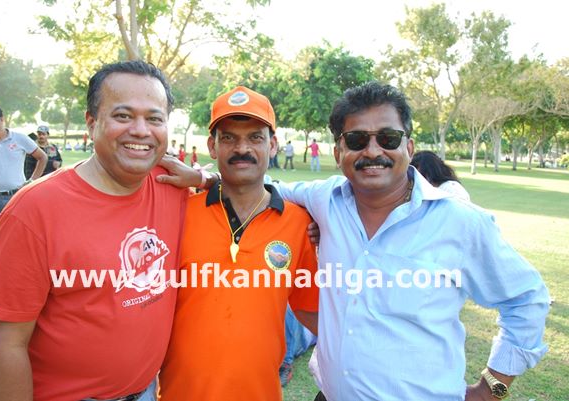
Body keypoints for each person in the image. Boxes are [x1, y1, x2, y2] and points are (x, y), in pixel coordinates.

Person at [158, 82, 550, 401]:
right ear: (339, 150)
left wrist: (491, 389)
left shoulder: (461, 223)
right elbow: (252, 184)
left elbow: (528, 300)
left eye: (388, 138)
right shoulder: (323, 201)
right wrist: (207, 179)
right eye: (358, 139)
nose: (373, 151)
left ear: (409, 147)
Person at [0, 60, 188, 401]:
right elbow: (6, 343)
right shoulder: (33, 211)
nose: (141, 130)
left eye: (154, 118)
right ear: (92, 123)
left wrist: (208, 177)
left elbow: (243, 192)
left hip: (147, 391)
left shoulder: (174, 189)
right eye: (123, 115)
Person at [157, 86, 319, 401]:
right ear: (212, 146)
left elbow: (312, 312)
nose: (242, 148)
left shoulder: (300, 224)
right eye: (229, 137)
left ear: (272, 145)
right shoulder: (178, 214)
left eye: (255, 137)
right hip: (180, 393)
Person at [0, 105, 47, 240]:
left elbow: (42, 157)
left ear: (1, 119)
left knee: (18, 237)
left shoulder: (20, 139)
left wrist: (32, 181)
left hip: (16, 196)